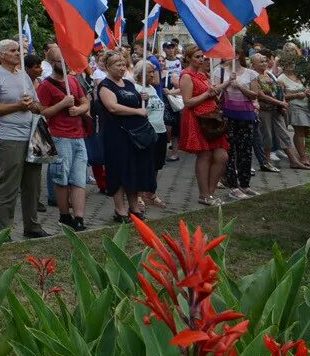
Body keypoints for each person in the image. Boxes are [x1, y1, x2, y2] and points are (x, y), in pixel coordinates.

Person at [0, 39, 48, 238]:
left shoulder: (24, 76)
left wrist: (32, 105)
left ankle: (32, 226)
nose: (17, 53)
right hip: (10, 137)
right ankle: (2, 232)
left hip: (31, 136)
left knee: (33, 185)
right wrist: (17, 106)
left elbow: (38, 105)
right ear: (1, 55)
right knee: (9, 186)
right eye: (12, 50)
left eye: (18, 50)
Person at [36, 44, 90, 232]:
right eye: (61, 61)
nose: (66, 64)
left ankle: (80, 217)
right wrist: (63, 104)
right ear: (52, 63)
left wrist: (79, 109)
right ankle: (64, 215)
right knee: (61, 177)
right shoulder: (45, 86)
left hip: (78, 135)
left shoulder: (73, 81)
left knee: (79, 178)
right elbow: (44, 112)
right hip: (60, 136)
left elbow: (85, 103)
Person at [96, 53, 155, 224]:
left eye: (123, 64)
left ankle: (134, 207)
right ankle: (119, 210)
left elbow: (136, 103)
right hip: (116, 135)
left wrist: (144, 99)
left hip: (134, 136)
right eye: (117, 65)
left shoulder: (129, 84)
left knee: (133, 170)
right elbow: (113, 107)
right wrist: (137, 111)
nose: (122, 68)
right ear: (108, 67)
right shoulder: (105, 86)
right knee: (118, 171)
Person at [177, 45, 229, 206]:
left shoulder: (203, 74)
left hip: (212, 118)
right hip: (197, 118)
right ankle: (204, 194)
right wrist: (207, 94)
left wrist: (222, 87)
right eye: (197, 57)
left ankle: (210, 193)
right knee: (205, 155)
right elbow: (187, 102)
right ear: (188, 58)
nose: (201, 60)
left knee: (222, 156)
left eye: (202, 57)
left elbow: (211, 92)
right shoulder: (186, 76)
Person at [221, 57, 262, 199]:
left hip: (246, 115)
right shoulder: (220, 72)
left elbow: (254, 95)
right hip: (228, 115)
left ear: (237, 55)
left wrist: (239, 86)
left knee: (245, 150)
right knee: (230, 150)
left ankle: (245, 184)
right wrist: (227, 82)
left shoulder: (251, 74)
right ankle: (232, 185)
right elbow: (217, 92)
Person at [254, 53, 304, 170]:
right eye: (261, 62)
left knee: (284, 134)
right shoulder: (254, 76)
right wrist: (280, 103)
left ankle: (293, 160)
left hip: (277, 109)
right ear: (254, 64)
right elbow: (260, 95)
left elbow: (279, 89)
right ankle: (266, 162)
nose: (264, 63)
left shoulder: (270, 74)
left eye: (265, 60)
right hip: (265, 109)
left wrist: (282, 102)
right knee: (267, 136)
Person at [132, 59, 169, 210]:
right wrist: (142, 100)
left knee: (156, 164)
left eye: (153, 71)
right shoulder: (136, 87)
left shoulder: (152, 88)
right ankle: (138, 195)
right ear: (140, 73)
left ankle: (150, 192)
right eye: (149, 71)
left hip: (160, 131)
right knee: (144, 164)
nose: (153, 74)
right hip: (147, 131)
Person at [279, 53, 310, 167]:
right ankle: (303, 157)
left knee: (309, 131)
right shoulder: (281, 78)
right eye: (288, 63)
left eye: (292, 63)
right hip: (294, 107)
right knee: (299, 131)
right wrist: (295, 95)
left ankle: (306, 154)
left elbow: (307, 89)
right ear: (283, 65)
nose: (291, 66)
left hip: (306, 106)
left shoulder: (300, 76)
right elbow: (281, 96)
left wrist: (308, 92)